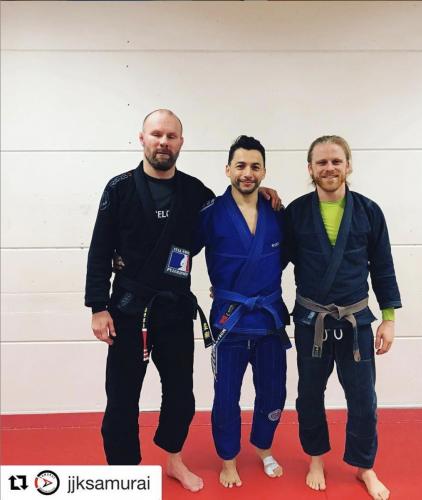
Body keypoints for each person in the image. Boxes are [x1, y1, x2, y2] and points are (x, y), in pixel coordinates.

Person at [85, 109, 280, 493]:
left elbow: (229, 218)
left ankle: (174, 460)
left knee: (180, 395)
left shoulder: (196, 194)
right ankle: (124, 475)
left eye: (171, 136)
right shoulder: (119, 189)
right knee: (122, 397)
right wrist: (98, 306)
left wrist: (260, 194)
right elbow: (100, 249)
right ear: (142, 138)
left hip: (174, 309)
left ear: (181, 143)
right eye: (156, 134)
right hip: (127, 309)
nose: (163, 142)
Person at [284, 135, 402, 499]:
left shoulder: (369, 211)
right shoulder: (296, 213)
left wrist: (388, 318)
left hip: (356, 321)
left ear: (348, 165)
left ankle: (365, 466)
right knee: (309, 395)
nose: (329, 168)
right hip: (311, 321)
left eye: (336, 161)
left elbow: (382, 266)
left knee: (363, 398)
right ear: (310, 168)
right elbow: (272, 260)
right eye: (321, 162)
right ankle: (316, 458)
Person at [194, 136, 290, 488]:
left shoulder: (277, 212)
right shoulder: (210, 213)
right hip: (229, 321)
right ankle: (228, 459)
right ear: (227, 170)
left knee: (274, 392)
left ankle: (264, 447)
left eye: (255, 166)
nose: (247, 173)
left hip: (268, 319)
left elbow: (290, 255)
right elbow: (181, 249)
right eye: (240, 166)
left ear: (264, 171)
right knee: (226, 396)